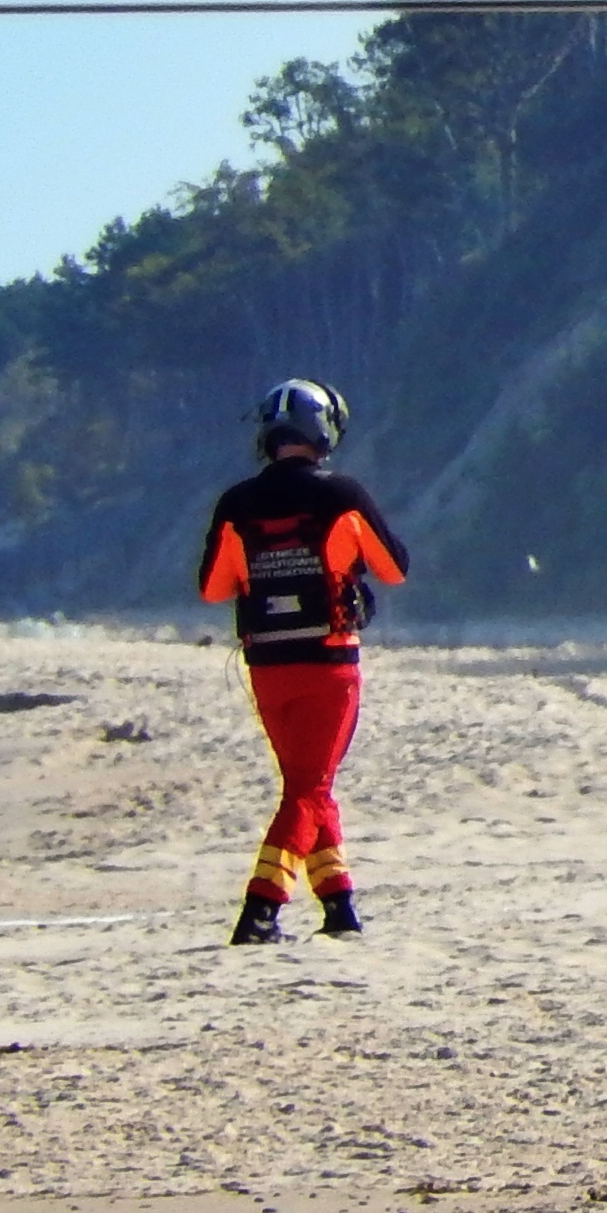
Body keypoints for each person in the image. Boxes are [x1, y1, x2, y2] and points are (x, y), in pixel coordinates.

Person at [198, 378, 409, 946]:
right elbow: (393, 569)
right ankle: (259, 911)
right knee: (309, 790)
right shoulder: (343, 495)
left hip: (267, 668)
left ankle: (339, 907)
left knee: (304, 784)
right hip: (328, 663)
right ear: (327, 432)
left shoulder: (235, 504)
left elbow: (214, 590)